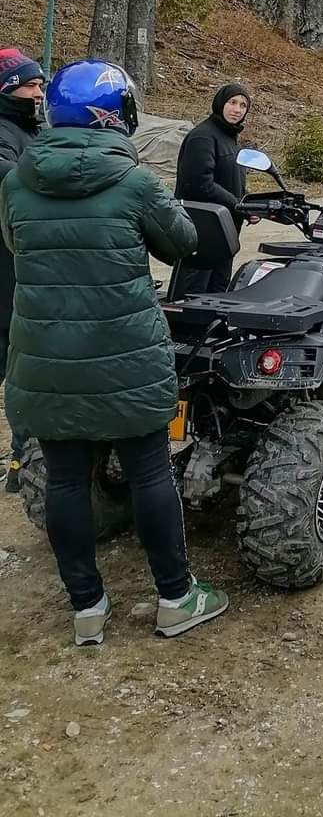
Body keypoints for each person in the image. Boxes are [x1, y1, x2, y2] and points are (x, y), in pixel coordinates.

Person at [0, 60, 228, 644]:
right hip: (125, 351)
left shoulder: (17, 180)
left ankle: (87, 608)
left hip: (44, 354)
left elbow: (14, 242)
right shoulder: (134, 181)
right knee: (150, 471)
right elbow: (183, 243)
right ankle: (176, 598)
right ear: (115, 114)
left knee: (67, 480)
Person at [0, 48, 45, 493]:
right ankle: (22, 459)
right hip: (7, 274)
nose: (38, 94)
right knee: (21, 371)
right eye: (30, 85)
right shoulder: (4, 130)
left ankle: (22, 458)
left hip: (23, 271)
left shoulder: (33, 127)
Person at [173, 82, 253, 296]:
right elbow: (200, 184)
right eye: (232, 102)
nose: (237, 109)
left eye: (243, 105)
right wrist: (239, 205)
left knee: (218, 290)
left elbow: (231, 181)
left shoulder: (229, 138)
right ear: (220, 103)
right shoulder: (203, 136)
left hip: (225, 230)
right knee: (193, 293)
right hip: (203, 228)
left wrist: (248, 207)